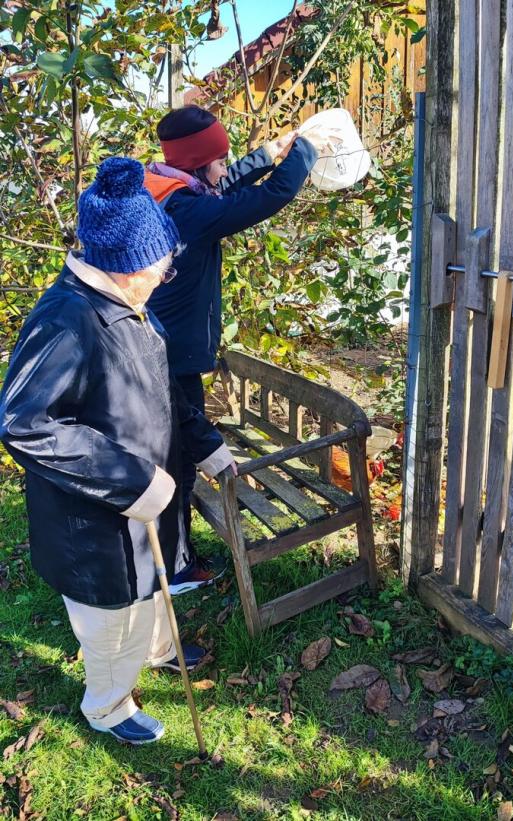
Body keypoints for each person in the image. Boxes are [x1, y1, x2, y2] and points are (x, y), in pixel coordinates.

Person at [0, 157, 236, 745]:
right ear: (128, 264)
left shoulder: (130, 303)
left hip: (147, 500)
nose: (167, 272)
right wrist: (130, 480)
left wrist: (205, 447)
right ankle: (106, 704)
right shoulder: (66, 321)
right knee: (110, 625)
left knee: (153, 586)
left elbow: (163, 388)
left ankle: (157, 649)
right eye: (162, 262)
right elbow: (24, 423)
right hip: (97, 519)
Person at [144, 104, 338, 595]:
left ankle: (172, 556)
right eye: (220, 157)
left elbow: (222, 186)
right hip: (169, 353)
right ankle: (174, 569)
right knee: (178, 462)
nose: (225, 166)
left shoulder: (168, 187)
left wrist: (268, 153)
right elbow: (267, 197)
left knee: (175, 457)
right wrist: (308, 151)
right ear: (197, 161)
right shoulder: (187, 210)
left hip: (165, 343)